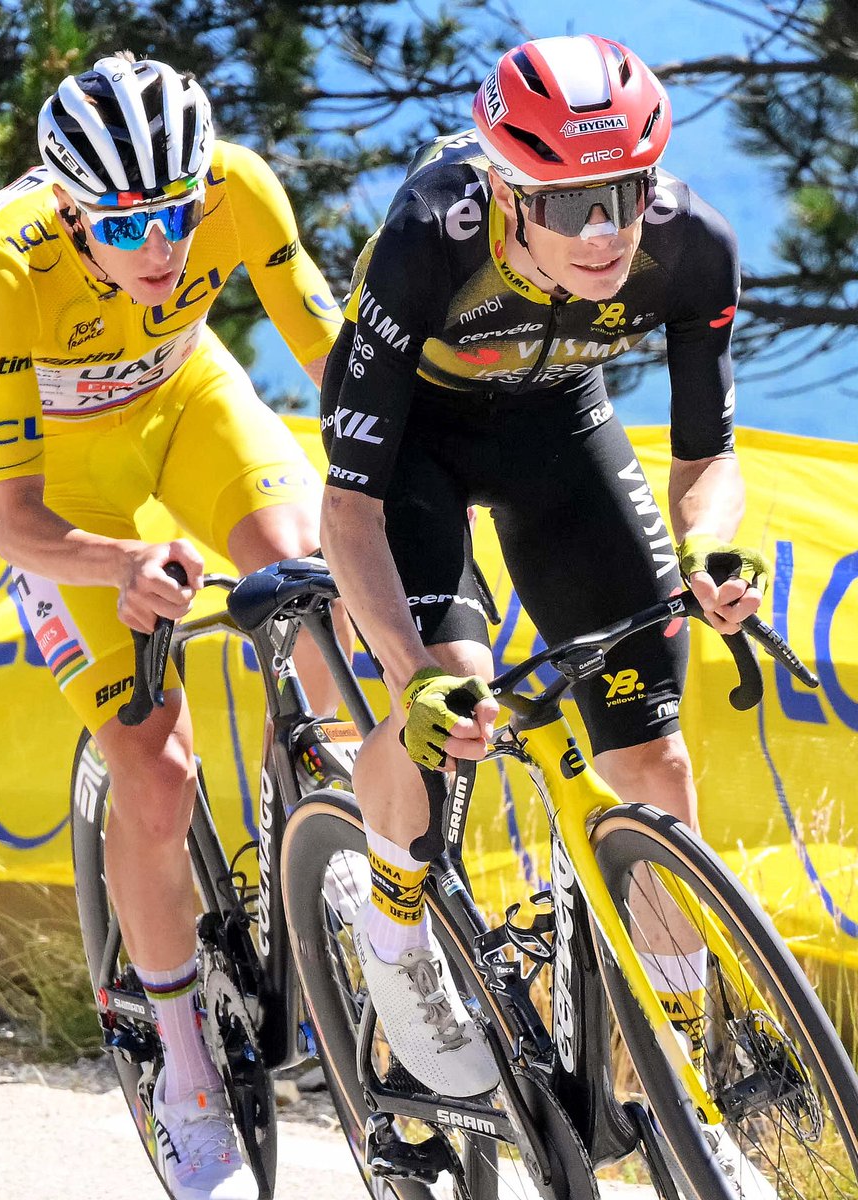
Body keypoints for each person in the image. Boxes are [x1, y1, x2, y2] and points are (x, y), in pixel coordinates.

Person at [320, 33, 772, 1198]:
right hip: (415, 451)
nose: (605, 230)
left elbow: (706, 460)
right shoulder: (430, 239)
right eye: (569, 204)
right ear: (509, 189)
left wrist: (717, 546)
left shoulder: (692, 246)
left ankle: (675, 1079)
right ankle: (398, 943)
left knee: (656, 764)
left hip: (560, 431)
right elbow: (350, 517)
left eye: (625, 192)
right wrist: (411, 667)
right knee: (451, 692)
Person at [0, 53, 345, 1200]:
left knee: (320, 588)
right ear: (68, 206)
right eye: (126, 226)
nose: (162, 247)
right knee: (154, 771)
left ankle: (346, 866)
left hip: (189, 404)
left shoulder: (239, 190)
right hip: (71, 498)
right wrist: (122, 562)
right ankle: (183, 1077)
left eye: (178, 212)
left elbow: (338, 362)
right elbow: (15, 520)